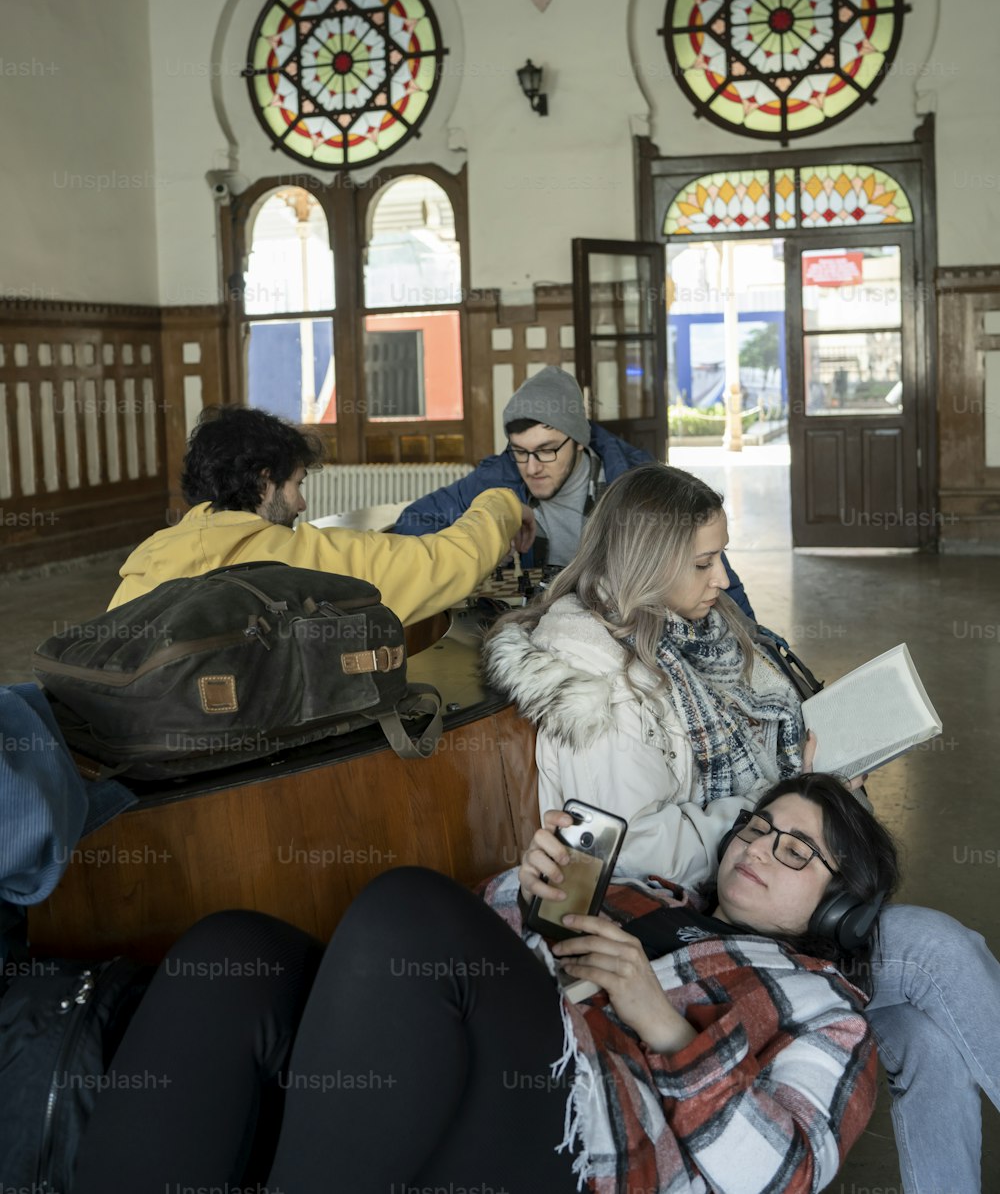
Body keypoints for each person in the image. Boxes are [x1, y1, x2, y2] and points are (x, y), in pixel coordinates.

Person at [484, 462, 1000, 1194]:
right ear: (643, 564)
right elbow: (635, 849)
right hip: (702, 920)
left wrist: (817, 786)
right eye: (703, 562)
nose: (723, 578)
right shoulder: (594, 685)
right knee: (942, 953)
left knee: (925, 1038)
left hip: (753, 902)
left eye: (721, 555)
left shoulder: (707, 637)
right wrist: (782, 803)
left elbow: (765, 754)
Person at [67, 773, 895, 1194]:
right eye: (758, 827)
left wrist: (669, 1030)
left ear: (846, 905)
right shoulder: (652, 892)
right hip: (476, 1072)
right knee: (232, 951)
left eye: (795, 850)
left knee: (409, 911)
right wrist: (523, 894)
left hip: (591, 1152)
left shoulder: (828, 1011)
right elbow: (442, 971)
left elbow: (779, 1177)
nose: (757, 847)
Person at [108, 404, 535, 625]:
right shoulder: (306, 559)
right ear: (264, 481)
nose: (302, 505)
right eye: (296, 484)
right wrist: (503, 502)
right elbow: (448, 561)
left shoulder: (147, 559)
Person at [393, 365, 754, 614]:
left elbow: (713, 573)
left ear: (580, 441)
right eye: (520, 451)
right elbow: (413, 522)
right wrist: (481, 540)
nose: (532, 466)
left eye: (547, 450)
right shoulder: (499, 476)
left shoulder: (635, 480)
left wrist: (762, 647)